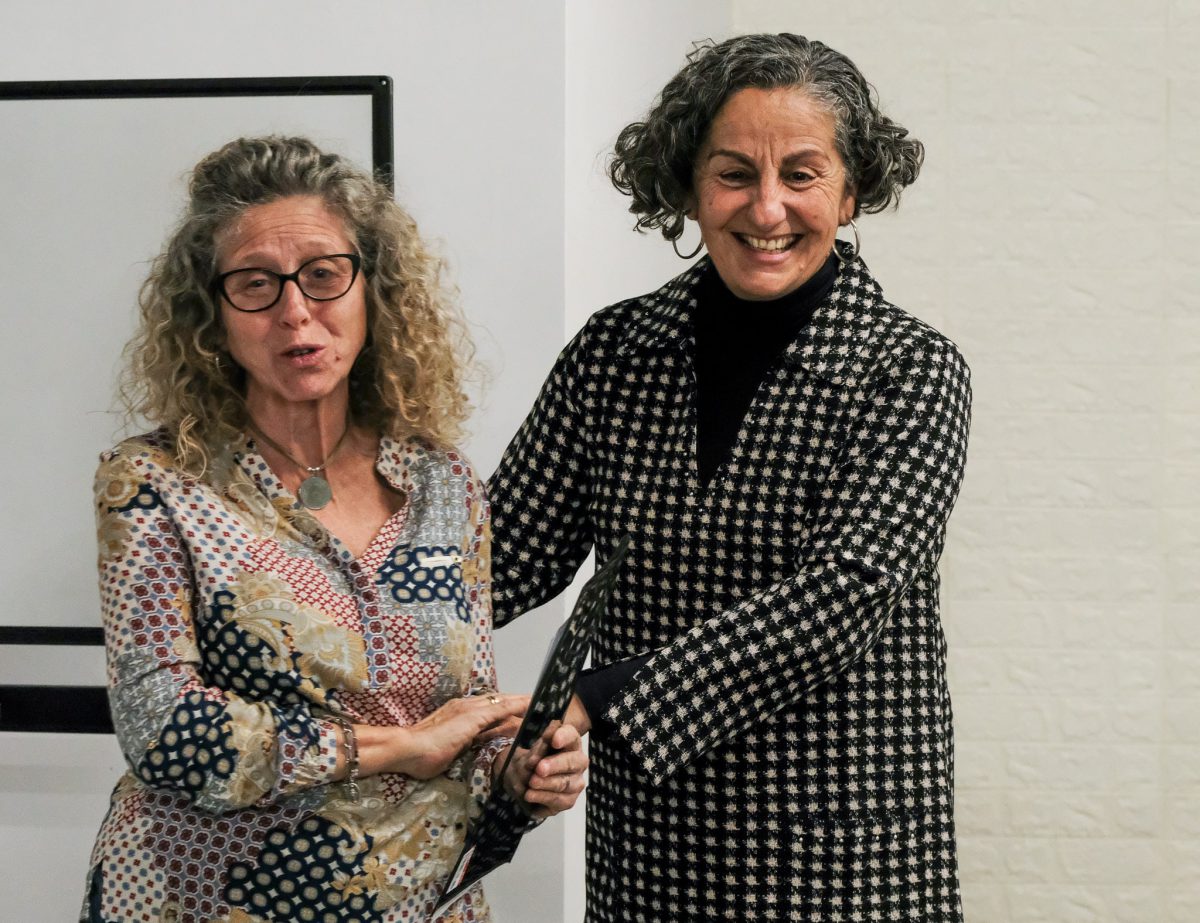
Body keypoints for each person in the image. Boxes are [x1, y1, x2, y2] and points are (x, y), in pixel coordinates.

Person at [488, 33, 972, 922]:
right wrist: (315, 605)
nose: (768, 206)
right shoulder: (613, 355)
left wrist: (601, 698)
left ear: (852, 190)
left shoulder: (908, 369)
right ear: (687, 184)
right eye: (735, 173)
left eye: (802, 174)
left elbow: (840, 598)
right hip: (654, 853)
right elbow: (501, 554)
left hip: (842, 856)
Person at [82, 135, 586, 923]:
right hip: (204, 900)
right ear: (212, 315)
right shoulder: (153, 482)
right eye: (256, 283)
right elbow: (164, 730)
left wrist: (519, 769)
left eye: (323, 274)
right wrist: (395, 747)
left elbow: (467, 714)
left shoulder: (444, 481)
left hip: (423, 903)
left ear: (371, 292)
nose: (295, 312)